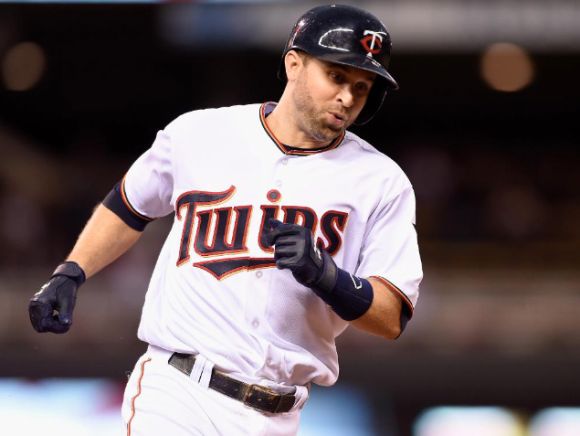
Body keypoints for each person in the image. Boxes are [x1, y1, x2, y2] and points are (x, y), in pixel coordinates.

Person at [28, 4, 422, 435]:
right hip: (179, 391)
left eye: (361, 87)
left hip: (278, 412)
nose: (347, 97)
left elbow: (391, 316)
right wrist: (71, 272)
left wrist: (326, 276)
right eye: (336, 76)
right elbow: (128, 204)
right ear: (294, 64)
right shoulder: (200, 134)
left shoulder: (381, 181)